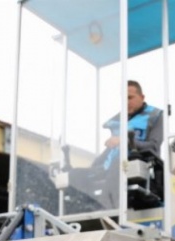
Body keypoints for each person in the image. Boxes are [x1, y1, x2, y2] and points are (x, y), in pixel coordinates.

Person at [66, 80, 164, 211]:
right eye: (124, 99)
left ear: (142, 97)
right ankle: (76, 212)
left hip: (138, 168)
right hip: (112, 167)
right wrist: (93, 165)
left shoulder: (155, 116)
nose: (127, 102)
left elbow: (153, 147)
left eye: (130, 97)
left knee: (118, 164)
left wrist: (125, 141)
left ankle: (106, 212)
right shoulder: (119, 121)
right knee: (74, 175)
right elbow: (110, 153)